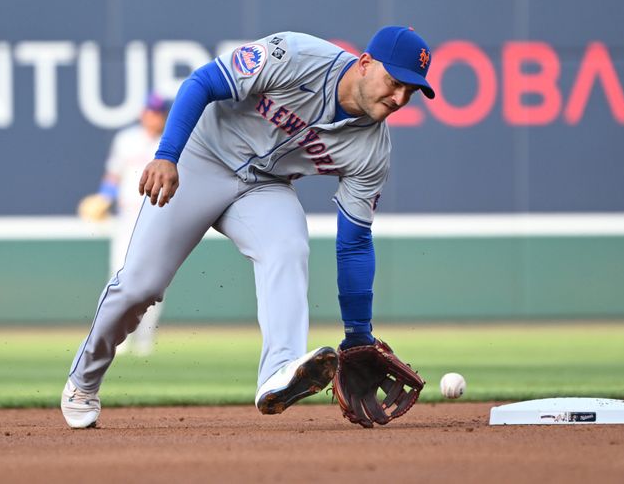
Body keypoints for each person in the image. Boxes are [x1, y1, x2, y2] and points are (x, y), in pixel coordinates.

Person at [61, 26, 435, 428]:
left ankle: (278, 370)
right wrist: (167, 154)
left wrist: (359, 335)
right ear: (365, 64)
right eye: (394, 83)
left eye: (410, 92)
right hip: (200, 159)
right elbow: (202, 81)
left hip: (264, 187)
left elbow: (355, 244)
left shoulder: (372, 151)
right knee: (139, 285)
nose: (399, 99)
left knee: (288, 247)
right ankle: (83, 382)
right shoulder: (295, 55)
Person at [76, 93, 172, 356]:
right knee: (119, 277)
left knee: (153, 282)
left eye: (158, 112)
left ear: (164, 116)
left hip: (159, 218)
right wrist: (105, 197)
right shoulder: (126, 140)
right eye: (149, 111)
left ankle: (144, 341)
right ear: (143, 113)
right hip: (128, 218)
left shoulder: (172, 141)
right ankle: (118, 339)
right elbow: (113, 174)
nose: (153, 116)